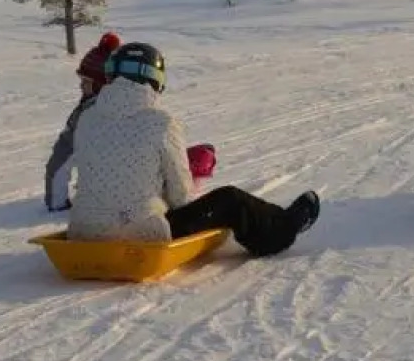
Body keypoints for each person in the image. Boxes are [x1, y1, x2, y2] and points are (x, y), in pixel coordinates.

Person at [67, 42, 319, 257]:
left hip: (82, 231)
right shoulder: (161, 122)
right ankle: (282, 229)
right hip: (142, 235)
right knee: (230, 199)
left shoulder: (86, 119)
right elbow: (180, 196)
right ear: (155, 80)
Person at [44, 32, 121, 211]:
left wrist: (57, 204)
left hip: (97, 207)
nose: (81, 85)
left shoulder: (84, 117)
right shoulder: (131, 108)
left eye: (86, 81)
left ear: (101, 84)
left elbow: (59, 166)